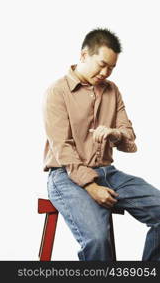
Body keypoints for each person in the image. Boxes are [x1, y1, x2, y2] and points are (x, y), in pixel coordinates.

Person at [42, 28, 160, 261]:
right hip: (65, 175)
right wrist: (90, 187)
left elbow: (130, 141)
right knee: (97, 239)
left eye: (112, 68)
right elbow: (62, 148)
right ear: (84, 55)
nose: (105, 72)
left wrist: (114, 134)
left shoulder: (112, 90)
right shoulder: (57, 91)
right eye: (101, 64)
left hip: (107, 172)